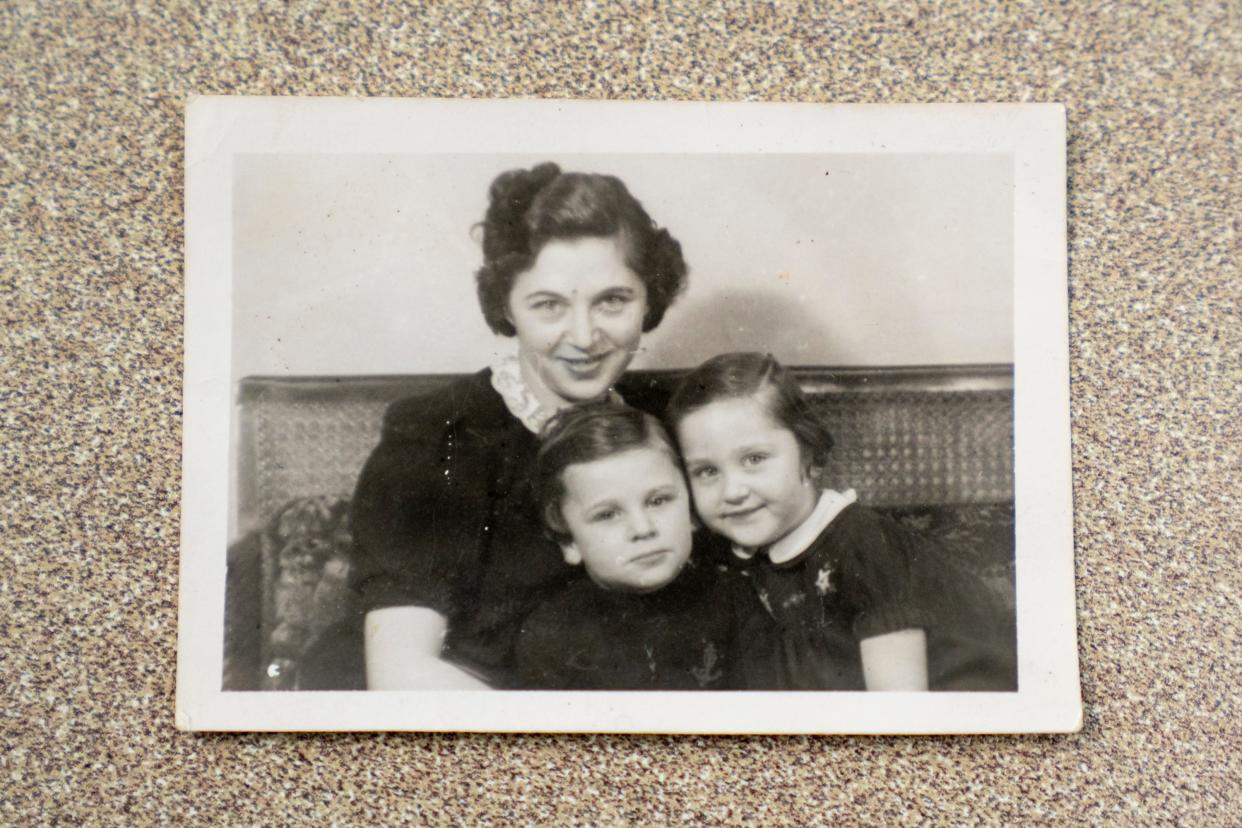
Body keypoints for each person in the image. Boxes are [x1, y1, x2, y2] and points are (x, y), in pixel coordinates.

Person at [349, 162, 690, 689]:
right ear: (506, 306)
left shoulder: (665, 421)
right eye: (549, 305)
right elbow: (401, 675)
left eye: (613, 300)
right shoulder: (438, 436)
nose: (584, 335)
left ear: (651, 299)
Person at [666, 352, 1018, 691]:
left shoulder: (863, 545)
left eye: (754, 459)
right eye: (707, 471)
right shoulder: (736, 557)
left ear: (809, 454)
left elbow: (900, 710)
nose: (733, 490)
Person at [514, 402, 760, 690]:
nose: (643, 529)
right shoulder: (549, 635)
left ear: (691, 509)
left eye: (659, 501)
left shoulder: (740, 602)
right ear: (568, 539)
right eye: (607, 515)